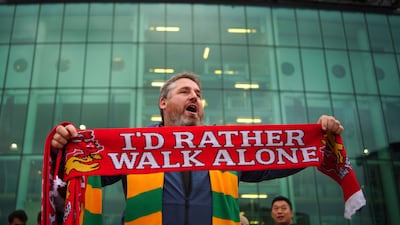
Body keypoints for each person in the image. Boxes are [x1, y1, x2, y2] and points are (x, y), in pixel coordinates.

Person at [50, 72, 344, 225]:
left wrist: (317, 140)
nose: (195, 97)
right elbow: (83, 177)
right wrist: (61, 150)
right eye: (185, 91)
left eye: (199, 94)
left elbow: (281, 158)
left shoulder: (227, 147)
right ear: (163, 103)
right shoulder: (134, 147)